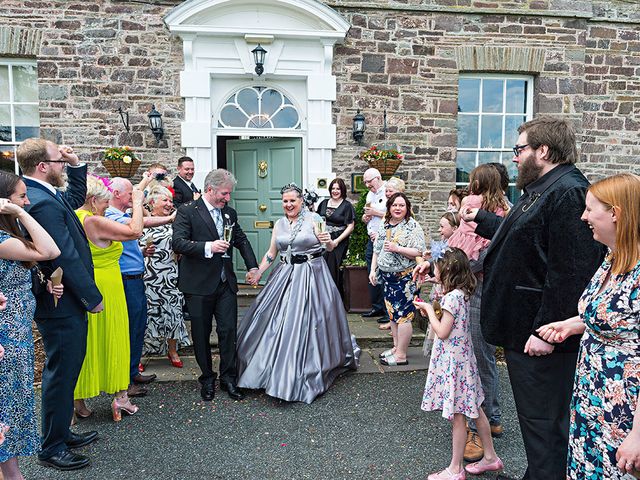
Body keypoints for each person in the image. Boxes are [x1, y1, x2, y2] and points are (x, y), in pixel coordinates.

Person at [460, 116, 605, 480]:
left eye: (520, 149)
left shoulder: (568, 192)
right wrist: (482, 219)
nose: (514, 157)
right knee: (535, 422)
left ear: (543, 150)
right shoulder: (542, 188)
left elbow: (570, 272)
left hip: (540, 336)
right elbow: (526, 241)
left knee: (545, 422)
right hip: (521, 330)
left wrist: (545, 332)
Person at [536, 173, 640, 480]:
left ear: (615, 213)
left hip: (624, 412)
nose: (584, 217)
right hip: (592, 399)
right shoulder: (613, 258)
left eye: (589, 209)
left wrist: (637, 435)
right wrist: (573, 325)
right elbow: (615, 316)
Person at [18, 138, 103, 471]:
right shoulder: (40, 202)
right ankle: (51, 447)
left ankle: (61, 432)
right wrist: (91, 297)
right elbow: (64, 254)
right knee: (60, 372)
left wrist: (78, 164)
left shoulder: (45, 196)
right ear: (43, 166)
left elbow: (73, 199)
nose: (63, 164)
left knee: (67, 371)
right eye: (59, 161)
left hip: (66, 300)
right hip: (61, 302)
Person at [237, 183, 357, 403]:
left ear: (301, 201)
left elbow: (329, 248)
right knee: (274, 321)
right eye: (285, 201)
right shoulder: (280, 224)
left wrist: (329, 241)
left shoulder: (315, 219)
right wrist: (258, 272)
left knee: (307, 322)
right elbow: (271, 253)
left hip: (312, 275)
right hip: (285, 274)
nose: (288, 204)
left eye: (292, 200)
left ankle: (303, 369)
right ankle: (270, 369)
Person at [416, 248, 503, 480]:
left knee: (458, 416)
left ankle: (455, 469)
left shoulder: (451, 298)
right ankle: (491, 457)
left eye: (437, 267)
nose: (434, 270)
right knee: (476, 410)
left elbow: (443, 332)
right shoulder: (462, 291)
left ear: (447, 271)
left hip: (454, 362)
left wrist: (427, 310)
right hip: (465, 360)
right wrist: (435, 282)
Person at [172, 169, 259, 401]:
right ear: (209, 190)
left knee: (228, 331)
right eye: (224, 193)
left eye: (229, 194)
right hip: (198, 285)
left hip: (225, 283)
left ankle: (228, 379)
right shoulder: (187, 211)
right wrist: (208, 247)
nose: (227, 198)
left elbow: (240, 239)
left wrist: (253, 267)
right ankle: (207, 378)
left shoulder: (229, 213)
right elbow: (178, 243)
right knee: (201, 335)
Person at [0, 191, 62, 480]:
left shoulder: (9, 236)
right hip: (6, 335)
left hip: (19, 332)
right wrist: (22, 214)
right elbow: (49, 250)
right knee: (6, 404)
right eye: (20, 197)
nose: (26, 202)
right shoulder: (2, 241)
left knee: (12, 402)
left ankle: (12, 472)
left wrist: (44, 286)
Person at [73, 175, 144, 421]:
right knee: (114, 336)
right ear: (93, 201)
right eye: (104, 202)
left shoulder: (75, 216)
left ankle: (78, 401)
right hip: (107, 284)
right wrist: (137, 200)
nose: (106, 207)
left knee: (90, 341)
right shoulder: (93, 221)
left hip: (90, 282)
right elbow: (135, 231)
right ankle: (121, 398)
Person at [105, 177, 173, 397]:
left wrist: (141, 253)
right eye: (129, 194)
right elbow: (137, 226)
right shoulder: (110, 214)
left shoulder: (120, 213)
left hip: (135, 276)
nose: (133, 198)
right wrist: (170, 218)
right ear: (116, 194)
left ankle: (133, 371)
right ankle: (125, 380)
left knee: (137, 327)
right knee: (129, 329)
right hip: (124, 279)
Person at [370, 192, 426, 366]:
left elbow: (419, 252)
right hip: (387, 278)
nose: (398, 208)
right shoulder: (385, 224)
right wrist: (373, 270)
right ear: (389, 207)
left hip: (405, 278)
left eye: (402, 205)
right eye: (394, 205)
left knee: (403, 316)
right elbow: (377, 249)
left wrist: (397, 248)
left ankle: (401, 355)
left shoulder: (412, 226)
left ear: (407, 208)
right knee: (392, 314)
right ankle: (396, 347)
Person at [140, 184, 191, 367]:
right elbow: (130, 245)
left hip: (170, 275)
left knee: (172, 312)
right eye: (165, 200)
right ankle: (141, 354)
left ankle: (172, 350)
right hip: (149, 276)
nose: (170, 204)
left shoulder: (176, 223)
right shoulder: (142, 221)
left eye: (171, 200)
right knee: (148, 315)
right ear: (152, 203)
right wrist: (142, 249)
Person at [447, 164, 508, 261]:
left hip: (464, 244)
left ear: (476, 184)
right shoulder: (501, 204)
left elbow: (460, 218)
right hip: (485, 245)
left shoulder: (468, 200)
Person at [377, 176, 406, 331]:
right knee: (390, 300)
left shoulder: (404, 214)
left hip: (399, 267)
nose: (387, 193)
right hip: (385, 263)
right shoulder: (388, 212)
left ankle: (397, 328)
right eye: (386, 190)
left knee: (399, 304)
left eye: (390, 190)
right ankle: (392, 321)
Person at [315, 178, 355, 292]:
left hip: (339, 240)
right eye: (333, 188)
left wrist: (337, 241)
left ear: (342, 190)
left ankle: (333, 296)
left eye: (338, 188)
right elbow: (317, 220)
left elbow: (350, 226)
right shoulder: (323, 203)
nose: (335, 191)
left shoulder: (347, 206)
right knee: (320, 265)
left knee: (332, 267)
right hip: (322, 239)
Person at [361, 168, 386, 321]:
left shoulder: (388, 192)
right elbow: (369, 214)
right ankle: (376, 307)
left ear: (377, 178)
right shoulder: (370, 194)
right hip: (372, 239)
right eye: (364, 182)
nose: (367, 185)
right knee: (372, 272)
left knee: (383, 272)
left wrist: (374, 212)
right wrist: (365, 217)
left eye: (368, 181)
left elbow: (394, 214)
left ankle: (386, 310)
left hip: (384, 239)